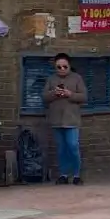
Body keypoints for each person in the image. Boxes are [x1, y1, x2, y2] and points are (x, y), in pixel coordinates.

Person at [41, 52, 89, 185]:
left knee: (73, 146)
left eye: (64, 67)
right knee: (61, 148)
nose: (62, 69)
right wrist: (54, 93)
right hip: (56, 120)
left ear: (69, 66)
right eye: (59, 67)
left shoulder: (77, 78)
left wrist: (70, 94)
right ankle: (63, 174)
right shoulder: (51, 79)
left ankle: (76, 175)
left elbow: (84, 97)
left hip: (71, 120)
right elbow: (44, 97)